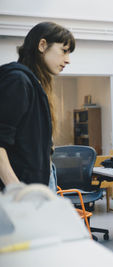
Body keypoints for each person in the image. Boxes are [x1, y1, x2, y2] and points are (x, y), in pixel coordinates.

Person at [0, 22, 75, 191]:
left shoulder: (34, 84)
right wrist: (18, 192)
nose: (68, 60)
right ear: (42, 45)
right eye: (64, 51)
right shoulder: (17, 80)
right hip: (17, 195)